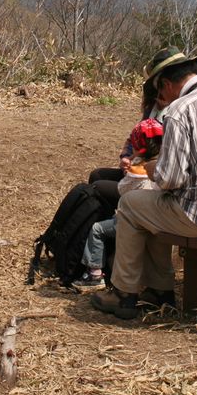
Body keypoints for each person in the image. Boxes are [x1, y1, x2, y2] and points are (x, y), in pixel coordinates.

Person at [91, 50, 197, 320]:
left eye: (160, 93)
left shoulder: (180, 111)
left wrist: (154, 168)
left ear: (166, 84)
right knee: (152, 208)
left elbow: (170, 179)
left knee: (131, 204)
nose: (161, 100)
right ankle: (159, 290)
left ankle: (123, 293)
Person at [74, 119, 164, 289]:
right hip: (157, 217)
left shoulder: (137, 171)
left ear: (137, 146)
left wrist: (128, 169)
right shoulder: (164, 164)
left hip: (134, 219)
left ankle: (94, 275)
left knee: (97, 229)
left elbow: (122, 189)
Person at [86, 48, 174, 207]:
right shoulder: (151, 109)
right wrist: (126, 158)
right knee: (97, 175)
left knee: (97, 188)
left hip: (150, 179)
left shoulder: (176, 114)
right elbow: (135, 138)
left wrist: (139, 163)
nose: (158, 94)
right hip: (137, 168)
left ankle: (110, 224)